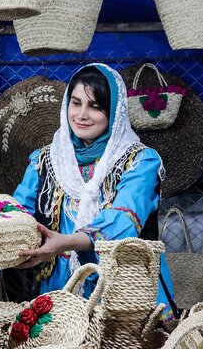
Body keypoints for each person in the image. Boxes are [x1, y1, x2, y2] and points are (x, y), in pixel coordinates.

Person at [13, 63, 174, 309]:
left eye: (95, 106)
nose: (81, 115)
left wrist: (63, 242)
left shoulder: (140, 161)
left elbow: (124, 223)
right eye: (76, 103)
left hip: (124, 289)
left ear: (114, 112)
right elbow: (17, 211)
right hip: (60, 286)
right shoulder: (46, 160)